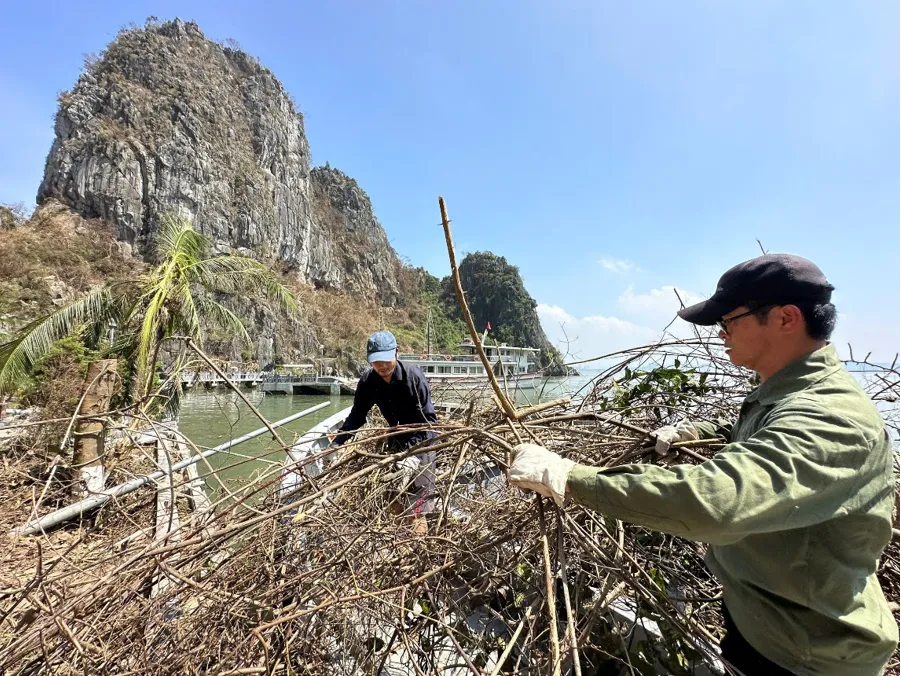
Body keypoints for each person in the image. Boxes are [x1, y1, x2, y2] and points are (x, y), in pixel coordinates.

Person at [509, 254, 898, 676]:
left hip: (807, 656)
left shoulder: (831, 418)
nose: (720, 335)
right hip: (766, 628)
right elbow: (761, 434)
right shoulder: (782, 394)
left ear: (786, 318)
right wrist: (696, 432)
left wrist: (568, 476)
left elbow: (714, 502)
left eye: (728, 322)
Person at [331, 330, 438, 534]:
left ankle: (416, 550)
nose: (382, 366)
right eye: (376, 361)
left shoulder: (414, 378)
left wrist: (412, 455)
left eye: (386, 359)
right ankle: (397, 541)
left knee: (417, 508)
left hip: (422, 443)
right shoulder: (368, 382)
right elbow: (357, 416)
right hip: (396, 439)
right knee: (393, 497)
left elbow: (430, 424)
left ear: (396, 353)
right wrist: (338, 441)